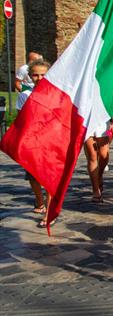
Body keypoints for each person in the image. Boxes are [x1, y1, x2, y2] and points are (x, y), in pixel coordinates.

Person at [16, 59, 50, 219]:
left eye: (43, 75)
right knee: (32, 174)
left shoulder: (54, 94)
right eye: (35, 75)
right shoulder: (25, 95)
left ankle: (49, 211)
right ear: (30, 76)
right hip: (32, 139)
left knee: (50, 174)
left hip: (50, 138)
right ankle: (39, 201)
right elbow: (20, 119)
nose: (39, 78)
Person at [84, 115, 113, 206]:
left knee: (104, 156)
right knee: (92, 156)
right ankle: (96, 190)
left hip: (102, 120)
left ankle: (99, 176)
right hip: (86, 120)